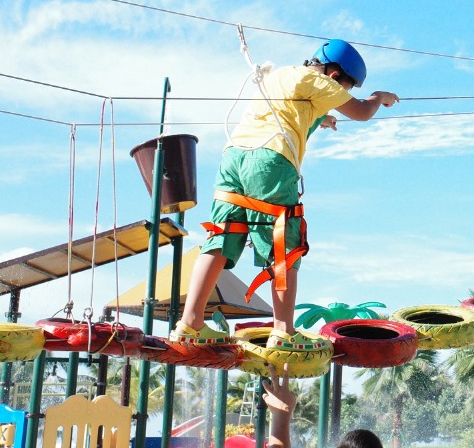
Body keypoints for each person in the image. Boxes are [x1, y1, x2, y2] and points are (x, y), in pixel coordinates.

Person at [171, 39, 399, 350]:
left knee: (221, 236)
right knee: (284, 243)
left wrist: (323, 117)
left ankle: (190, 325)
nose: (342, 95)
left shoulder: (282, 75)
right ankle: (283, 331)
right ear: (334, 75)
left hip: (233, 157)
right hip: (270, 161)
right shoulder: (320, 81)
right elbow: (361, 112)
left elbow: (293, 110)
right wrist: (377, 97)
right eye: (344, 88)